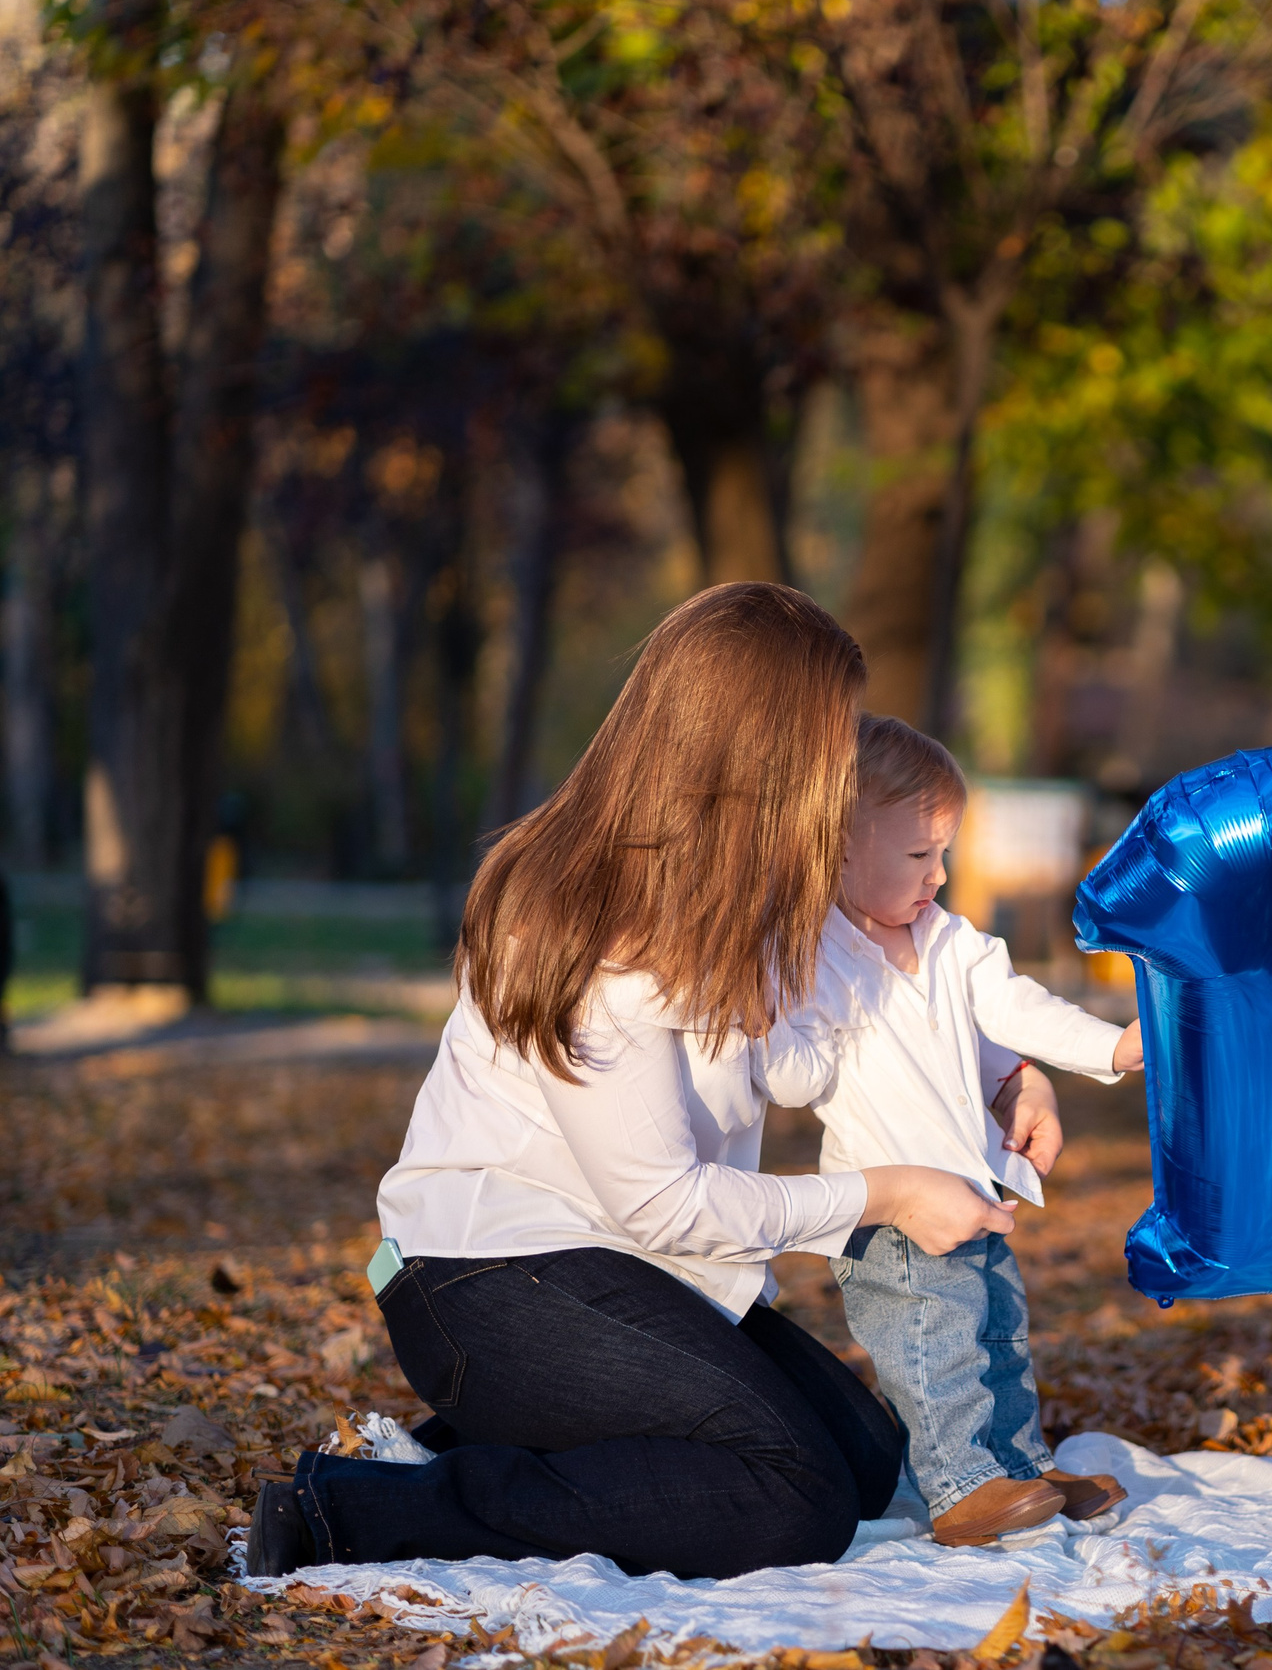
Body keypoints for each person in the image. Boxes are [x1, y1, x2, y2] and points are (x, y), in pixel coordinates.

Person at [247, 583, 1017, 1580]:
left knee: (865, 1463)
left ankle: (481, 1445)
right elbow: (664, 1202)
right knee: (797, 1500)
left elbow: (883, 1004)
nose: (845, 767)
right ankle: (356, 1506)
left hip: (621, 1266)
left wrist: (1008, 1080)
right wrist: (892, 1193)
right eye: (832, 739)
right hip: (486, 1279)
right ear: (760, 757)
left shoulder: (736, 902)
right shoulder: (589, 926)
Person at [763, 715, 1144, 1547]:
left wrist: (1110, 1047)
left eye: (945, 853)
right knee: (934, 1342)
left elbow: (1015, 1009)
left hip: (971, 1192)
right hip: (890, 1212)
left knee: (995, 1329)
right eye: (917, 857)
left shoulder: (947, 941)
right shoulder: (810, 957)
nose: (939, 873)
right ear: (836, 847)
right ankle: (959, 1482)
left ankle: (1015, 1461)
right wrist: (796, 1017)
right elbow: (790, 1077)